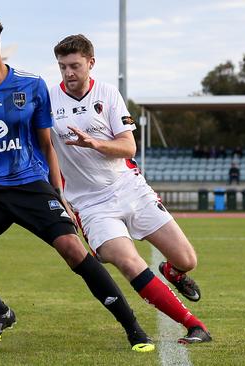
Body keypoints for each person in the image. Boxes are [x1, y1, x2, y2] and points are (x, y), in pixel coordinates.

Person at [0, 12, 153, 352]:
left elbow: (47, 145)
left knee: (72, 250)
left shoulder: (31, 86)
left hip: (30, 183)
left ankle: (133, 328)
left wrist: (58, 192)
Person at [49, 34, 211, 344]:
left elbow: (128, 146)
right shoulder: (49, 101)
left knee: (187, 259)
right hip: (91, 204)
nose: (68, 74)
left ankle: (173, 272)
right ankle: (194, 326)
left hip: (130, 188)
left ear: (90, 63)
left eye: (75, 66)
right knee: (127, 260)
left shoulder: (108, 94)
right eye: (62, 67)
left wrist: (94, 143)